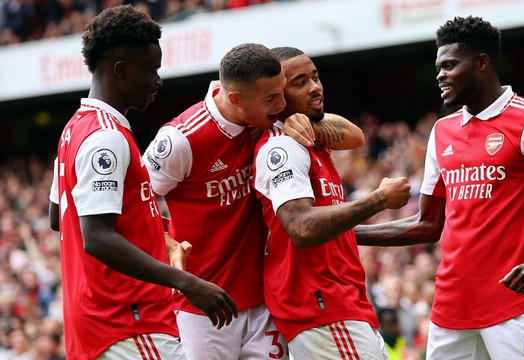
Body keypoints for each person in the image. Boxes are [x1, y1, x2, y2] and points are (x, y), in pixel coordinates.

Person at [354, 16, 524, 359]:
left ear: (482, 62)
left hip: (515, 306)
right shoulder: (442, 132)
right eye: (438, 67)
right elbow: (427, 224)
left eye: (450, 65)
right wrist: (347, 234)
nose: (440, 74)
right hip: (450, 309)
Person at [142, 42, 364, 360]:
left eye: (282, 94)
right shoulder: (180, 140)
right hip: (204, 304)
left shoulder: (270, 121)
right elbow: (133, 203)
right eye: (272, 99)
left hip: (264, 301)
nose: (281, 104)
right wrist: (168, 245)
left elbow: (355, 136)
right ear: (235, 99)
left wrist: (306, 122)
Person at [48, 5, 237, 359]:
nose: (158, 82)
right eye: (151, 71)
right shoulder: (106, 137)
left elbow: (57, 216)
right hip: (128, 321)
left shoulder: (74, 129)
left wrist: (153, 235)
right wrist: (187, 282)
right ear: (120, 70)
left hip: (101, 325)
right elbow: (97, 237)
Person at [252, 46, 411, 359]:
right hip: (321, 306)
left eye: (315, 77)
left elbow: (356, 136)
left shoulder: (311, 140)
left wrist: (306, 121)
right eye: (300, 82)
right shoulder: (284, 147)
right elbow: (301, 228)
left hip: (341, 303)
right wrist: (379, 200)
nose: (315, 87)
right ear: (276, 97)